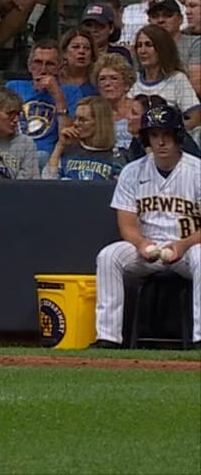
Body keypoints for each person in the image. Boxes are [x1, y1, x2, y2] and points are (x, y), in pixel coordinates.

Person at [90, 104, 200, 348]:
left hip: (188, 248)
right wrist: (140, 243)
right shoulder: (132, 171)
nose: (160, 142)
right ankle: (107, 338)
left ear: (178, 136)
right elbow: (126, 223)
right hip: (147, 247)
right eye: (154, 135)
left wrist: (183, 245)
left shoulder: (197, 171)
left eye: (166, 135)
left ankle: (200, 337)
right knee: (109, 256)